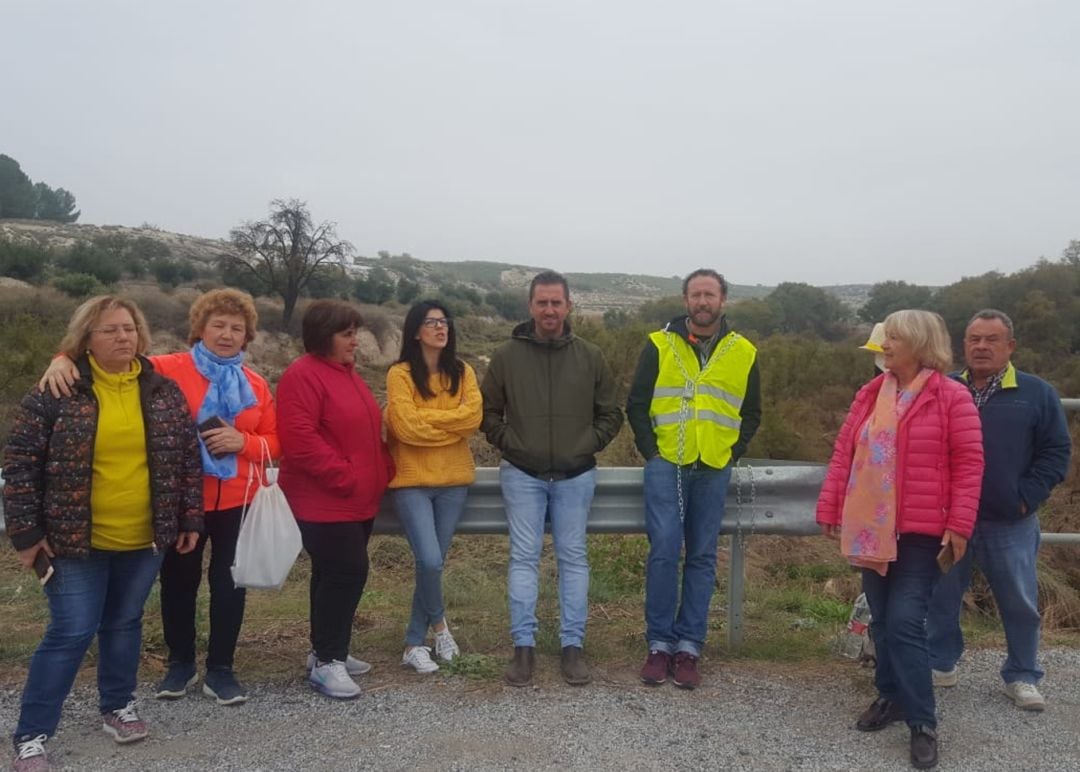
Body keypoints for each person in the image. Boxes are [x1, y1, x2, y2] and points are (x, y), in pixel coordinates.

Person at [38, 289, 281, 706]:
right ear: (199, 329)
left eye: (236, 328)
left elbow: (276, 442)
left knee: (230, 585)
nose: (226, 334)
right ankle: (180, 662)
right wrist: (62, 357)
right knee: (178, 583)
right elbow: (106, 363)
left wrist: (243, 441)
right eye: (218, 325)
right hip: (181, 499)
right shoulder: (166, 369)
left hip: (240, 500)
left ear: (247, 336)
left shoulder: (256, 383)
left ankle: (221, 669)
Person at [4, 295, 203, 772]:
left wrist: (189, 519)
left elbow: (186, 460)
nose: (123, 337)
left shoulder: (162, 391)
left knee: (124, 624)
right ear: (86, 339)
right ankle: (31, 736)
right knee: (71, 632)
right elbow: (20, 464)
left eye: (129, 329)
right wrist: (26, 534)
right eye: (110, 330)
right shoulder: (57, 390)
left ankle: (117, 707)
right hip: (73, 543)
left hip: (143, 540)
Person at [816, 309, 984, 770]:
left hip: (923, 531)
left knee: (907, 621)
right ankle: (889, 696)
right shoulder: (870, 394)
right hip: (872, 527)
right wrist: (829, 506)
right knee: (884, 622)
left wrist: (961, 525)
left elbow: (969, 464)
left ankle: (922, 722)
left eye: (893, 339)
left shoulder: (952, 397)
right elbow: (844, 454)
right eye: (884, 338)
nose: (884, 345)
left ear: (919, 343)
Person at [480, 270, 623, 687]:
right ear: (530, 306)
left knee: (573, 560)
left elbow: (611, 413)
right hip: (522, 474)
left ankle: (571, 648)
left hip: (576, 474)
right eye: (541, 302)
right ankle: (522, 649)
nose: (549, 310)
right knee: (523, 559)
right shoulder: (507, 356)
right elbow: (487, 413)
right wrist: (514, 444)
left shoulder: (591, 356)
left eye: (556, 302)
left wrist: (586, 445)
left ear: (568, 306)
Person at [926, 309, 1071, 710]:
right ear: (963, 344)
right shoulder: (942, 388)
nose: (981, 346)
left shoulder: (1035, 392)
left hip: (1010, 520)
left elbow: (1056, 452)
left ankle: (1022, 675)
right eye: (974, 339)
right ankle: (940, 663)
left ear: (1010, 346)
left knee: (1018, 600)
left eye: (991, 339)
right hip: (950, 519)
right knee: (941, 595)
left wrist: (1025, 496)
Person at [626, 268, 762, 690]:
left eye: (710, 294)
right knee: (665, 550)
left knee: (702, 556)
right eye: (696, 295)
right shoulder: (659, 344)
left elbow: (751, 412)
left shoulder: (744, 351)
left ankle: (688, 647)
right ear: (685, 300)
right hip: (668, 462)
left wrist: (730, 452)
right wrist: (653, 452)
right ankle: (659, 644)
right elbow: (636, 403)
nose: (703, 302)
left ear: (723, 300)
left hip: (714, 466)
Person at [276, 299, 393, 699]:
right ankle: (329, 662)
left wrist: (382, 469)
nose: (355, 341)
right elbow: (300, 441)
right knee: (348, 573)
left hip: (355, 500)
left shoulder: (346, 374)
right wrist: (345, 476)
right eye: (347, 334)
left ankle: (324, 651)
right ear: (324, 336)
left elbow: (360, 434)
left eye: (355, 332)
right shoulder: (302, 375)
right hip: (323, 501)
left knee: (330, 577)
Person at [385, 300, 482, 674]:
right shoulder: (400, 375)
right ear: (415, 330)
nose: (441, 328)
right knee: (428, 560)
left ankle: (413, 644)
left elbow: (472, 418)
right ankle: (440, 627)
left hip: (453, 483)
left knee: (434, 565)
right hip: (412, 482)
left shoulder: (463, 372)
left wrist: (428, 423)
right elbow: (404, 428)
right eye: (432, 322)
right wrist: (449, 428)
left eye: (445, 322)